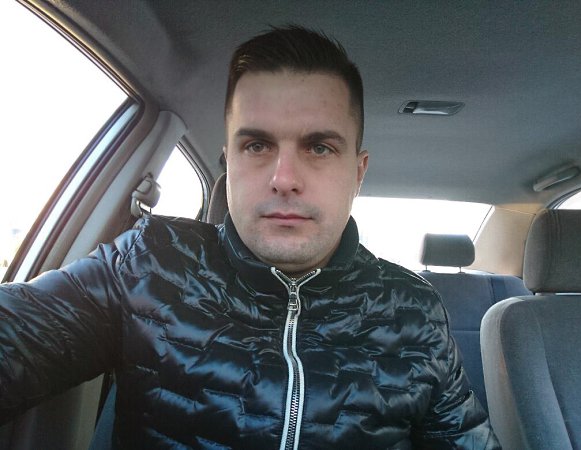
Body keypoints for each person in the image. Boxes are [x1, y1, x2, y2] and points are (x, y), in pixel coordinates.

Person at [0, 26, 500, 449]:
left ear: (358, 172)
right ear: (229, 164)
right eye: (257, 145)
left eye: (319, 147)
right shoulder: (148, 263)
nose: (284, 178)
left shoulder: (415, 311)